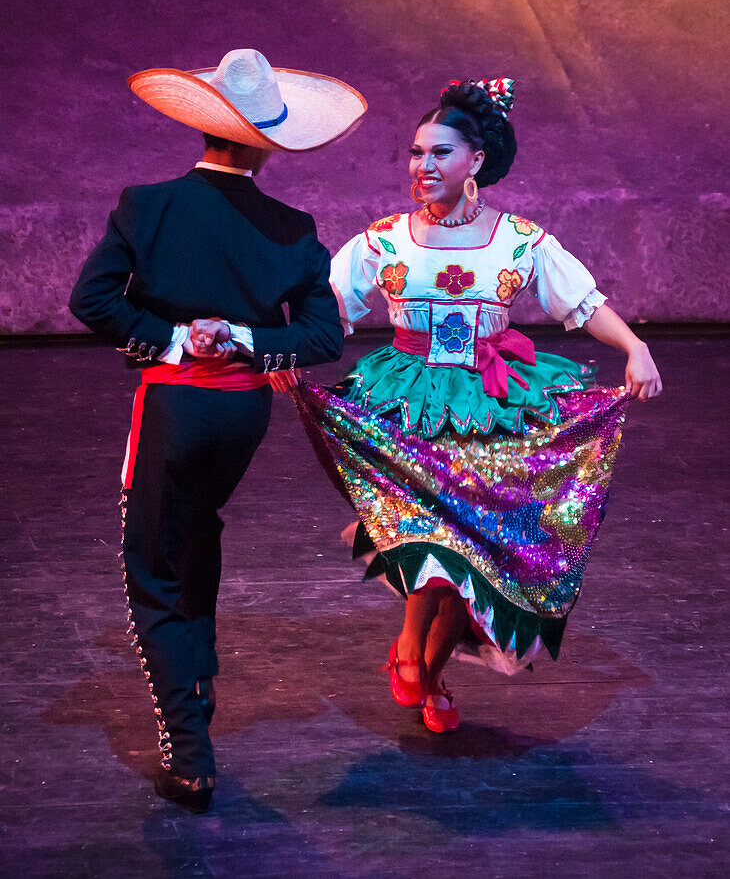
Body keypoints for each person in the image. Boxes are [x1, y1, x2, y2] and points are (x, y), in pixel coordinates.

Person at [293, 76, 661, 734]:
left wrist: (635, 346)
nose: (423, 166)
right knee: (435, 549)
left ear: (476, 161)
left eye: (438, 153)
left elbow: (581, 301)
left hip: (494, 404)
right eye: (415, 153)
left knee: (475, 556)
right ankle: (416, 664)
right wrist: (286, 351)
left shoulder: (520, 240)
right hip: (412, 403)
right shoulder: (386, 240)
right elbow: (330, 310)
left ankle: (423, 669)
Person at [69, 48, 366, 812]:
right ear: (267, 140)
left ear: (203, 127)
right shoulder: (292, 227)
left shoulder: (149, 204)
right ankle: (196, 677)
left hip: (178, 406)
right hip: (242, 416)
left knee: (156, 566)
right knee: (196, 529)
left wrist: (174, 340)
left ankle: (189, 746)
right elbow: (323, 338)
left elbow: (94, 299)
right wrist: (245, 338)